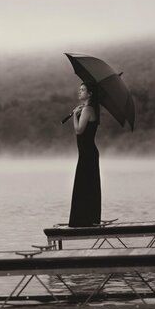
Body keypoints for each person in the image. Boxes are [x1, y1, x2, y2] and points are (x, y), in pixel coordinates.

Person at [68, 82, 101, 227]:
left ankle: (84, 220)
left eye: (82, 90)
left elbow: (79, 130)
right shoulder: (86, 109)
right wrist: (78, 112)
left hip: (88, 154)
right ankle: (87, 218)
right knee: (85, 185)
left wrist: (75, 115)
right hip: (87, 153)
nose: (79, 92)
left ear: (90, 93)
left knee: (84, 185)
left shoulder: (88, 109)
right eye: (79, 89)